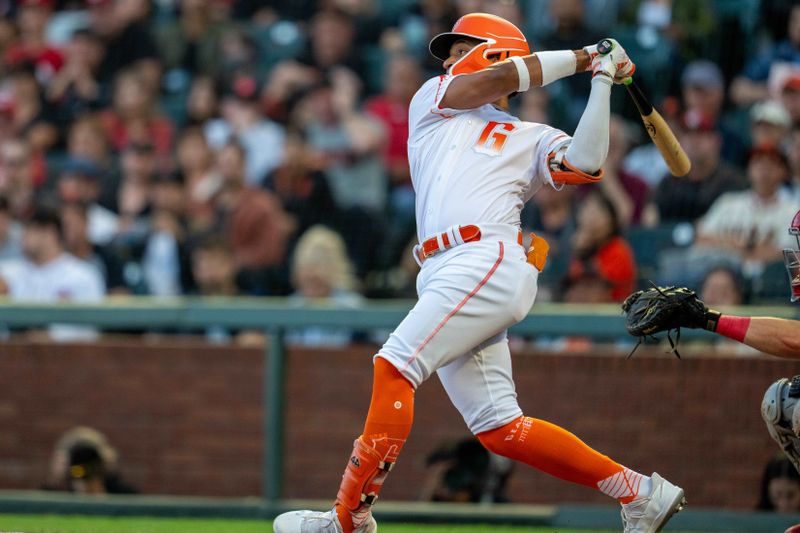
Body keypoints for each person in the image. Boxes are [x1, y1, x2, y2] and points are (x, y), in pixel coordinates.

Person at [274, 14, 685, 533]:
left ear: (495, 50)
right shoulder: (433, 101)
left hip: (484, 256)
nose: (447, 60)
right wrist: (587, 58)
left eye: (459, 48)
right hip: (445, 267)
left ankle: (348, 518)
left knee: (394, 366)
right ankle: (638, 491)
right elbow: (494, 81)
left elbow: (585, 163)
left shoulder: (530, 135)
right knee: (499, 427)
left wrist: (602, 82)